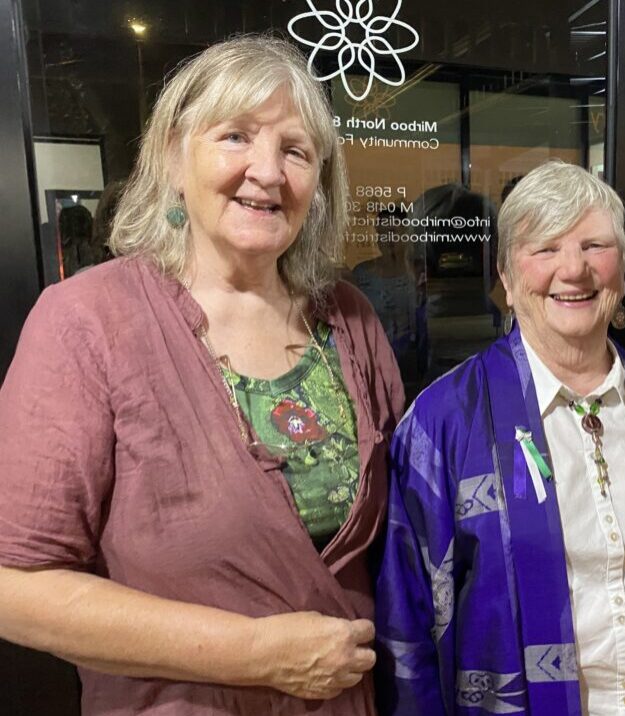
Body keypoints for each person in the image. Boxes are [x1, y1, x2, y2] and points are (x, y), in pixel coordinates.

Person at [0, 36, 403, 715]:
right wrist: (256, 655)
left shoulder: (350, 319)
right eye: (236, 137)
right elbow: (14, 585)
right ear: (172, 158)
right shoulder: (87, 322)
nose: (268, 172)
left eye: (295, 150)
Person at [375, 160, 625, 716]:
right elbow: (405, 626)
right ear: (506, 276)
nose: (573, 270)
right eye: (545, 248)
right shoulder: (443, 423)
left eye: (594, 245)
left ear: (622, 270)